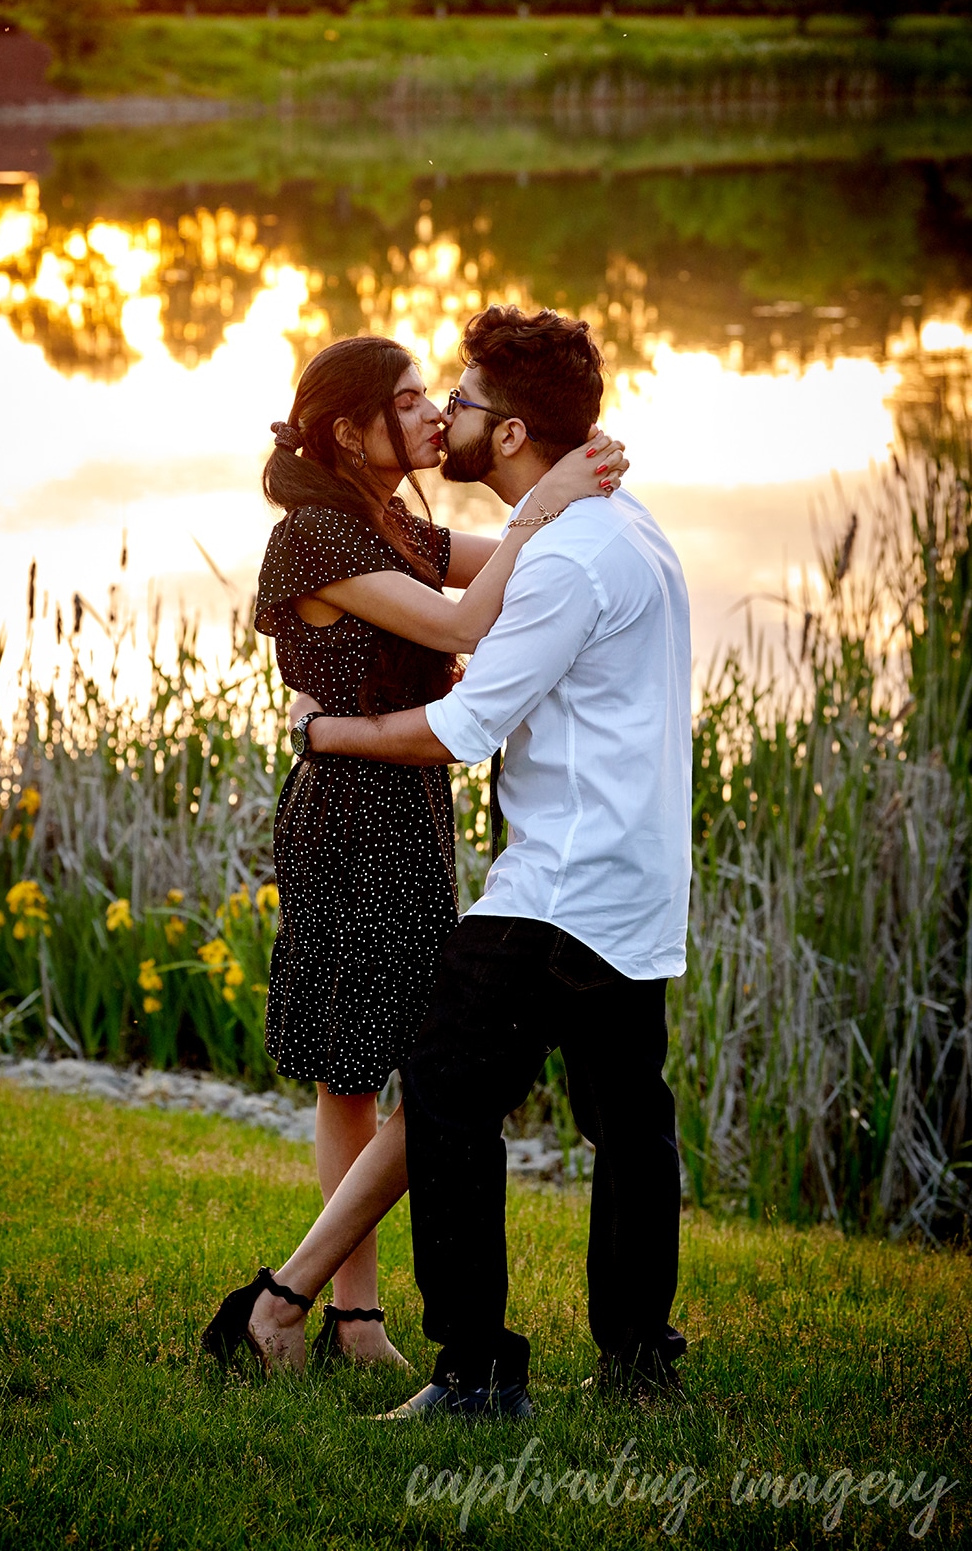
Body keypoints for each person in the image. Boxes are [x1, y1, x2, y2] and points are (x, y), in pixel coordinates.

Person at [292, 304, 692, 1417]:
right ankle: (638, 1361)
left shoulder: (564, 557)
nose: (447, 419)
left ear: (508, 436)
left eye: (459, 403)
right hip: (638, 881)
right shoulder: (631, 526)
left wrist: (328, 733)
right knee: (630, 1123)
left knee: (450, 1100)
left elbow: (456, 731)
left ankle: (472, 1374)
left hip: (556, 891)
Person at [203, 330, 629, 1375]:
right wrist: (546, 497)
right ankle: (352, 1319)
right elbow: (462, 626)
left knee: (412, 1065)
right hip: (352, 811)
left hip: (405, 797)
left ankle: (338, 1318)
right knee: (364, 1071)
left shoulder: (388, 523)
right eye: (407, 399)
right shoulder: (313, 537)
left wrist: (575, 506)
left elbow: (516, 583)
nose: (435, 410)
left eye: (430, 393)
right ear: (351, 429)